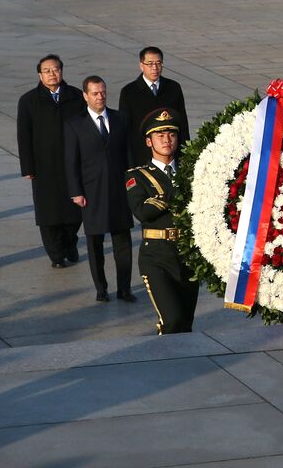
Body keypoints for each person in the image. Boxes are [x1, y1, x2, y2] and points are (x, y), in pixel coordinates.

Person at [127, 109, 200, 334]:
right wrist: (175, 192)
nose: (167, 140)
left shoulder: (192, 170)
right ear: (149, 141)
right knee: (172, 319)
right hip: (157, 256)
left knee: (185, 323)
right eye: (160, 135)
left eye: (171, 134)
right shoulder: (137, 175)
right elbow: (143, 211)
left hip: (187, 255)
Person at [64, 76, 135, 302]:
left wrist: (133, 185)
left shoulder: (120, 118)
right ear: (85, 95)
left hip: (118, 190)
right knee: (94, 243)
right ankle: (101, 288)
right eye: (95, 93)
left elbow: (128, 154)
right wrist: (76, 191)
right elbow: (71, 160)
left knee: (122, 242)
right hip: (91, 192)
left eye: (103, 92)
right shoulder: (75, 124)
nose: (100, 97)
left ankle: (124, 288)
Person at [16, 55, 84, 268]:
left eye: (56, 70)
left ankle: (70, 242)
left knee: (74, 209)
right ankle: (55, 253)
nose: (52, 74)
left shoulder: (76, 96)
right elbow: (23, 135)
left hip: (72, 162)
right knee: (48, 211)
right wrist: (27, 166)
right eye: (47, 71)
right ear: (40, 74)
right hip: (43, 165)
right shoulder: (28, 100)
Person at [118, 47, 190, 165]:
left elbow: (183, 125)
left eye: (158, 63)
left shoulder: (173, 88)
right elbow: (126, 130)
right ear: (141, 65)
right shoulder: (129, 92)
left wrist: (185, 156)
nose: (155, 68)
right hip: (142, 157)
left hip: (169, 156)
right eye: (150, 64)